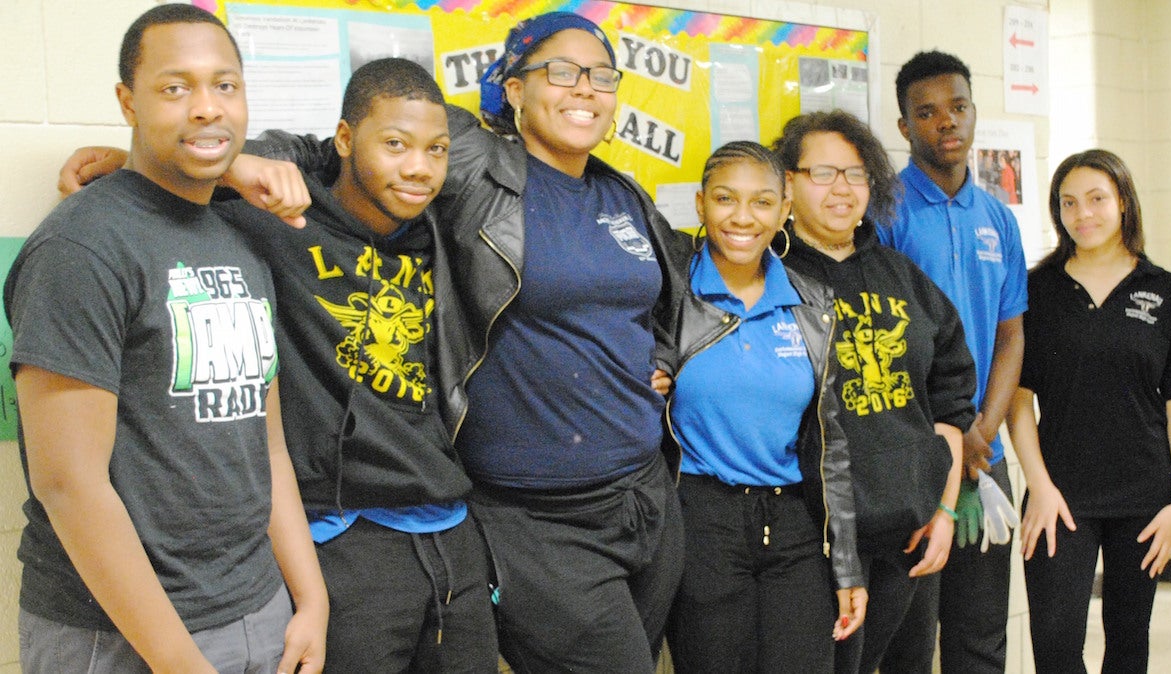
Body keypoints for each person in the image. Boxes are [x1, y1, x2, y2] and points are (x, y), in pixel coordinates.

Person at [207, 11, 694, 672]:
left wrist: (659, 361)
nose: (586, 88)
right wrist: (207, 163)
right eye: (562, 71)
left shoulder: (622, 192)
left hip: (643, 499)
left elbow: (662, 303)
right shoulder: (472, 160)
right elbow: (339, 149)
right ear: (515, 89)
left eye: (602, 76)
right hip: (536, 515)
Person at [55, 57, 500, 672]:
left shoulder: (442, 230)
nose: (418, 167)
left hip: (451, 530)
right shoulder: (273, 219)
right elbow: (176, 178)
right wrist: (146, 157)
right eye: (394, 144)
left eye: (436, 150)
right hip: (343, 536)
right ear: (345, 140)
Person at [8, 4, 327, 673]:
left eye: (225, 85)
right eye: (175, 87)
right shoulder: (81, 247)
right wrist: (180, 663)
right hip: (120, 633)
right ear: (127, 101)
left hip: (258, 609)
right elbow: (70, 485)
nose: (208, 108)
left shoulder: (239, 242)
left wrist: (311, 599)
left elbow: (262, 441)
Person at [771, 110, 976, 674]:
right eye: (824, 172)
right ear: (787, 182)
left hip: (910, 530)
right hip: (817, 537)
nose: (843, 188)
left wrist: (943, 508)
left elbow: (951, 400)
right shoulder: (769, 276)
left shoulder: (901, 274)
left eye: (857, 174)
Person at [664, 141, 865, 673]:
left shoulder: (812, 302)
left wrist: (847, 567)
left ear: (784, 209)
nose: (743, 218)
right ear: (701, 203)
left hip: (794, 522)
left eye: (762, 202)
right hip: (701, 517)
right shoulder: (670, 294)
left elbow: (831, 445)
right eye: (727, 199)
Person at [1008, 149, 1171, 673]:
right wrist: (1039, 487)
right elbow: (1018, 401)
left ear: (1123, 204)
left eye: (1096, 199)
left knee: (1128, 643)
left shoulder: (1167, 293)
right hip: (1059, 495)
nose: (1082, 214)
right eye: (1068, 203)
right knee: (1055, 645)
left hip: (1144, 495)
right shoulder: (1035, 291)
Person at [877, 50, 1027, 674]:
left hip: (984, 462)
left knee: (981, 638)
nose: (947, 122)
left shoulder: (997, 217)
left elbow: (1011, 334)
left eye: (958, 107)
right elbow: (881, 342)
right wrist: (952, 431)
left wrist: (984, 431)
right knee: (905, 646)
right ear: (905, 125)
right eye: (928, 112)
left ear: (973, 113)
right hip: (913, 458)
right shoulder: (883, 213)